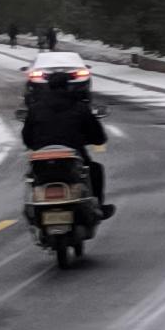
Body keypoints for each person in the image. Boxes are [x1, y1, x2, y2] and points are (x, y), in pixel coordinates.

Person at [22, 54, 110, 215]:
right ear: (68, 86)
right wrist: (89, 139)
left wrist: (36, 143)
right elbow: (99, 137)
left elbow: (27, 137)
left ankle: (33, 210)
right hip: (72, 157)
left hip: (42, 160)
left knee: (33, 177)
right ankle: (98, 206)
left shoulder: (35, 109)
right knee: (95, 170)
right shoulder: (80, 107)